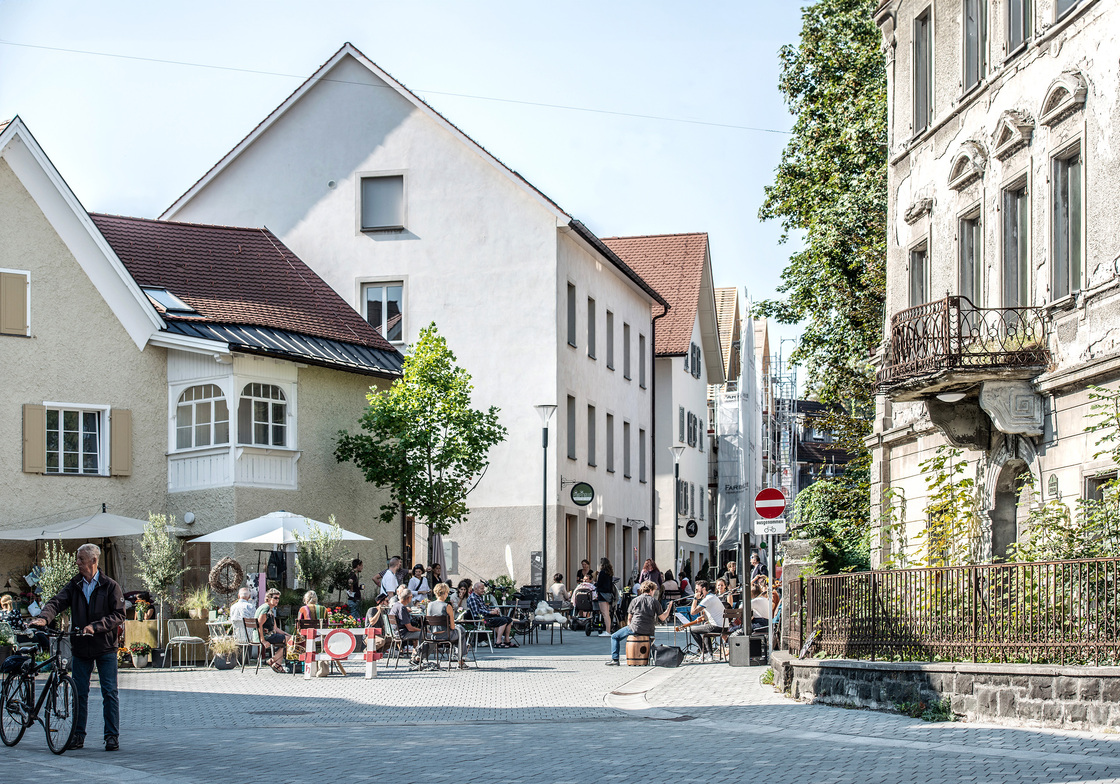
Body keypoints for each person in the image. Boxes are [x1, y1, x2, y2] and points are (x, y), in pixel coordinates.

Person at [31, 543, 125, 751]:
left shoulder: (110, 586)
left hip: (105, 647)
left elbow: (119, 615)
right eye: (77, 559)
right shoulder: (75, 585)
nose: (78, 563)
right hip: (81, 647)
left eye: (81, 559)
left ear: (94, 560)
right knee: (79, 692)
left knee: (109, 692)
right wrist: (43, 618)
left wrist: (96, 626)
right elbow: (56, 602)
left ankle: (111, 736)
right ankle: (78, 735)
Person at [605, 580, 672, 665]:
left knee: (614, 636)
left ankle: (615, 660)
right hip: (649, 630)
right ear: (651, 590)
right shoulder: (655, 601)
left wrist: (630, 629)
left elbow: (629, 618)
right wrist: (669, 608)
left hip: (635, 628)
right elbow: (662, 618)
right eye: (654, 591)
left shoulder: (635, 600)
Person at [676, 580, 725, 662]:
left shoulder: (707, 599)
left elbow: (693, 612)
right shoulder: (712, 597)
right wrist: (703, 617)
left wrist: (695, 598)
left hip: (717, 626)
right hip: (722, 625)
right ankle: (709, 654)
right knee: (705, 631)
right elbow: (712, 613)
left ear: (704, 589)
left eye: (697, 590)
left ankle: (705, 653)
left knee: (693, 630)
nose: (696, 592)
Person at [426, 582, 467, 668]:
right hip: (446, 635)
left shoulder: (429, 605)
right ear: (444, 593)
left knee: (459, 632)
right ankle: (460, 660)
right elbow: (452, 626)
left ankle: (458, 657)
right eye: (447, 593)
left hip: (433, 635)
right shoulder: (447, 606)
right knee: (461, 631)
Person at [465, 582, 516, 648]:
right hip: (481, 620)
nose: (483, 590)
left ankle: (507, 640)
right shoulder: (472, 598)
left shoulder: (479, 597)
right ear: (475, 589)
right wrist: (490, 613)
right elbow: (477, 612)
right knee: (503, 621)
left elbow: (485, 608)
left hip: (486, 616)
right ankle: (498, 642)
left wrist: (493, 610)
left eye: (483, 588)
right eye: (481, 588)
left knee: (509, 619)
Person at [255, 588, 293, 673]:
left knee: (290, 640)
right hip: (265, 636)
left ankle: (277, 664)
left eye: (278, 598)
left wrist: (288, 635)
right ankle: (273, 660)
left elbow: (275, 628)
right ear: (268, 598)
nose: (277, 600)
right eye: (275, 598)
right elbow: (259, 625)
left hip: (269, 635)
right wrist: (263, 640)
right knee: (290, 641)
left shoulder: (270, 609)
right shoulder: (265, 608)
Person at [298, 590, 331, 677]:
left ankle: (303, 667)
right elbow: (327, 625)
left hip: (306, 638)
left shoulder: (303, 609)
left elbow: (298, 626)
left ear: (306, 599)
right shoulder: (323, 609)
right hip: (320, 637)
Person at [389, 586, 424, 663]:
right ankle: (418, 657)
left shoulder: (396, 605)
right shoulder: (402, 608)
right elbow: (410, 628)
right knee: (425, 635)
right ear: (408, 598)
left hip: (396, 632)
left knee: (421, 634)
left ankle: (416, 654)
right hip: (403, 633)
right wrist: (422, 630)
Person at [594, 558, 615, 636]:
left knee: (604, 613)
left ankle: (607, 631)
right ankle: (608, 630)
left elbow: (599, 583)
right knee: (607, 614)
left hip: (602, 594)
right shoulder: (609, 573)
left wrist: (595, 584)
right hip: (608, 594)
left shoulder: (602, 573)